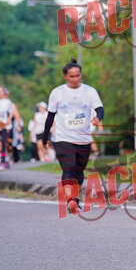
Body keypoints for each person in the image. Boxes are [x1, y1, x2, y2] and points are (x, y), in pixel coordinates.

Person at [42, 58, 104, 215]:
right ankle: (70, 199)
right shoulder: (57, 93)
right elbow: (50, 116)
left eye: (78, 76)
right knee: (68, 167)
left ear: (81, 75)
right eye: (71, 76)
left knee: (79, 171)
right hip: (63, 138)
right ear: (65, 76)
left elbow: (100, 108)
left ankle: (74, 198)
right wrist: (45, 135)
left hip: (84, 139)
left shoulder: (90, 91)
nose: (75, 79)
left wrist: (98, 118)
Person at [0, 86, 23, 169]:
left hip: (6, 126)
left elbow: (16, 115)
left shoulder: (9, 103)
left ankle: (5, 160)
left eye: (6, 93)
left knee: (6, 144)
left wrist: (18, 125)